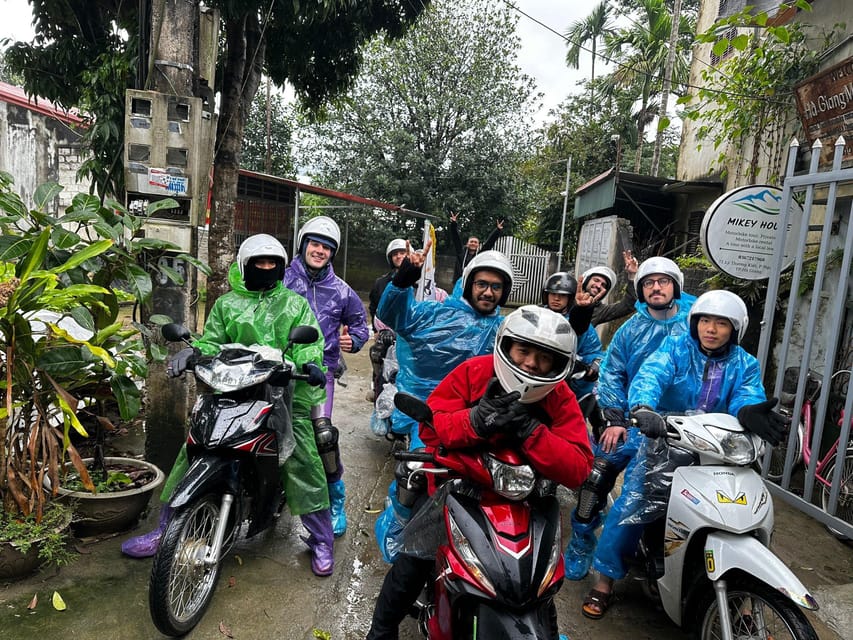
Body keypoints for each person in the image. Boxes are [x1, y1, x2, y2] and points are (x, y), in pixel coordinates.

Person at [365, 305, 594, 640]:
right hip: (456, 491)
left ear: (559, 365)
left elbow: (578, 467)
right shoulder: (474, 372)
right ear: (506, 346)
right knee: (412, 562)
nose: (531, 363)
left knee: (539, 584)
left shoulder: (560, 397)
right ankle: (380, 632)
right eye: (523, 351)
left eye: (544, 357)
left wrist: (531, 431)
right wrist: (474, 422)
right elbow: (432, 427)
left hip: (527, 503)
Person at [121, 234, 337, 576]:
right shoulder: (226, 304)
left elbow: (308, 342)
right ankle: (166, 529)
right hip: (233, 392)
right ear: (244, 266)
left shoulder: (295, 305)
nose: (265, 268)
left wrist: (309, 363)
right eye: (259, 263)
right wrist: (193, 353)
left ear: (281, 268)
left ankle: (321, 539)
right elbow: (211, 341)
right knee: (192, 450)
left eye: (272, 264)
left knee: (303, 462)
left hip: (280, 396)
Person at [580, 290, 786, 619]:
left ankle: (743, 588)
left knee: (741, 514)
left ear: (736, 328)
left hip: (717, 452)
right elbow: (651, 375)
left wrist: (748, 412)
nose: (711, 329)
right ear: (695, 323)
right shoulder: (675, 348)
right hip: (665, 443)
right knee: (633, 506)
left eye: (721, 323)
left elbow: (746, 394)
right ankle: (604, 580)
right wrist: (644, 407)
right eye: (705, 320)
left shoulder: (744, 363)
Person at [563, 256, 697, 582]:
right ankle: (582, 540)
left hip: (681, 429)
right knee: (595, 479)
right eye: (648, 282)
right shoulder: (630, 330)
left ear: (676, 286)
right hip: (630, 423)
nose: (656, 287)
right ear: (640, 290)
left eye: (663, 281)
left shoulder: (696, 324)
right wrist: (615, 418)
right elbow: (612, 373)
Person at [375, 243, 514, 449]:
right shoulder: (435, 315)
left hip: (478, 415)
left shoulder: (504, 329)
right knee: (420, 473)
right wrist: (406, 276)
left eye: (496, 287)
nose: (488, 292)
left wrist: (579, 318)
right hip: (426, 411)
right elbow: (393, 315)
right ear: (469, 285)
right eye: (482, 284)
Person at [284, 215, 370, 538]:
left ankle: (335, 500)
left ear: (333, 253)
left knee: (322, 435)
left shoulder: (342, 291)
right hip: (281, 366)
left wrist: (356, 340)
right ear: (304, 245)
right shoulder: (281, 278)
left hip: (321, 374)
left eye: (326, 247)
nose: (319, 251)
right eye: (315, 244)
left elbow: (361, 326)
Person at [541, 271, 605, 411]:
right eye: (553, 294)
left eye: (562, 295)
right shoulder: (536, 316)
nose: (556, 298)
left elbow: (594, 351)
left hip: (567, 383)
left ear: (570, 299)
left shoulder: (584, 326)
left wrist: (594, 363)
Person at [583, 249, 640, 327]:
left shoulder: (599, 311)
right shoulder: (570, 294)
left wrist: (632, 276)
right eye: (596, 280)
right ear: (586, 280)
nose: (599, 286)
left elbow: (629, 305)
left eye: (603, 285)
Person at [449, 211, 503, 284]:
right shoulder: (461, 253)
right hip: (459, 283)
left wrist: (498, 230)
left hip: (474, 284)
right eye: (471, 242)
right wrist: (453, 223)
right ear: (467, 244)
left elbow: (489, 243)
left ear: (478, 245)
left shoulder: (480, 255)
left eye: (475, 242)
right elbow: (456, 238)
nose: (473, 243)